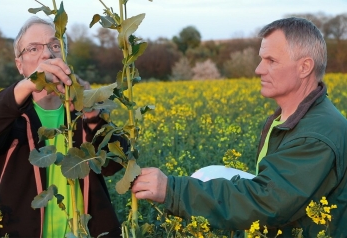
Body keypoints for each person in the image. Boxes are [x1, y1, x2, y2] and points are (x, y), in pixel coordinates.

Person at [131, 17, 347, 237]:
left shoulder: (316, 136)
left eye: (271, 60)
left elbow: (266, 202)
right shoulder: (290, 119)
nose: (258, 69)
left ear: (304, 67)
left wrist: (172, 190)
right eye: (261, 59)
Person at [0, 16, 125, 237]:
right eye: (33, 49)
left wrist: (91, 114)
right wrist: (31, 83)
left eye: (54, 46)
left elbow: (115, 163)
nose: (47, 54)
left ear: (65, 56)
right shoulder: (8, 120)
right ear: (19, 65)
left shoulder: (82, 112)